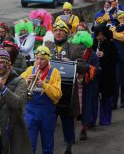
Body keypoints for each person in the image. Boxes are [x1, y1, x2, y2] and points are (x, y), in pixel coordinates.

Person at [45, 20, 85, 153]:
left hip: (67, 93)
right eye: (56, 30)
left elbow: (83, 68)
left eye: (61, 30)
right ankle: (48, 148)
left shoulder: (74, 47)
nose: (58, 32)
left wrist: (72, 63)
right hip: (50, 92)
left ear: (66, 33)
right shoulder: (48, 46)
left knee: (67, 123)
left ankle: (68, 147)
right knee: (48, 124)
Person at [21, 46, 62, 154]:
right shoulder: (30, 70)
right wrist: (26, 81)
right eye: (37, 58)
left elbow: (58, 94)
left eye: (42, 59)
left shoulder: (54, 72)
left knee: (47, 143)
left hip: (47, 112)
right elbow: (18, 86)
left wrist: (44, 85)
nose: (39, 61)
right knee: (30, 143)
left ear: (47, 60)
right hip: (31, 111)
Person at [91, 25, 117, 126]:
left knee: (106, 98)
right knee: (93, 99)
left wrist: (104, 55)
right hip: (95, 75)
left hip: (107, 76)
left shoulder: (111, 45)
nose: (99, 37)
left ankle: (105, 119)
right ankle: (91, 120)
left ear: (106, 35)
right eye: (98, 35)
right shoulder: (93, 45)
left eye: (101, 35)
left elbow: (115, 59)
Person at [110, 11, 124, 108]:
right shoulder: (115, 28)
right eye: (121, 18)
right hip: (116, 57)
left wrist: (113, 33)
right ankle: (113, 102)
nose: (122, 19)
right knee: (116, 80)